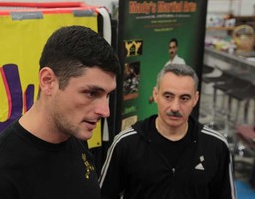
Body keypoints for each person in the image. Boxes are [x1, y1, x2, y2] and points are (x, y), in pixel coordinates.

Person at [0, 25, 121, 199]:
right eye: (91, 93)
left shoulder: (75, 135)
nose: (105, 111)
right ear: (48, 81)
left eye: (107, 95)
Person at [100, 64, 236, 199]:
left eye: (184, 98)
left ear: (195, 99)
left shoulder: (216, 146)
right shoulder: (126, 143)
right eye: (168, 96)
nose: (175, 107)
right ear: (156, 95)